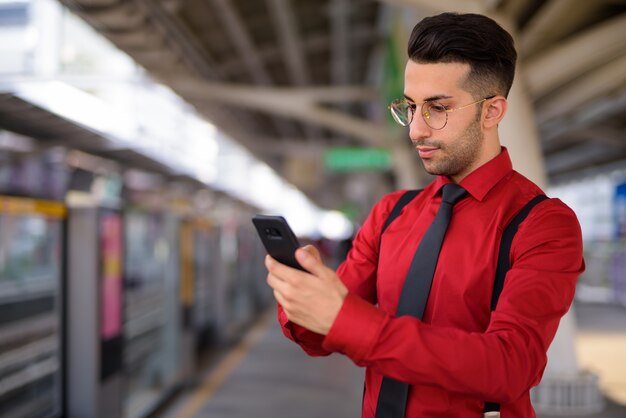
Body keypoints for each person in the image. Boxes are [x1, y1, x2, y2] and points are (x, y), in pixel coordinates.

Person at [264, 12, 584, 418]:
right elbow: (317, 335)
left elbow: (510, 367)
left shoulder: (543, 224)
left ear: (492, 112)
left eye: (437, 107)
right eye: (410, 107)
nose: (416, 129)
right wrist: (301, 295)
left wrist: (349, 320)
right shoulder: (390, 214)